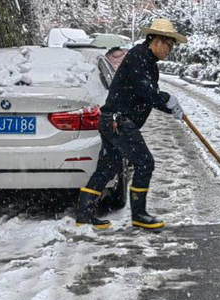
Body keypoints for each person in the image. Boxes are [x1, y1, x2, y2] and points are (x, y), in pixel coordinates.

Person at [75, 18, 186, 231]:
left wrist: (171, 108)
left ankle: (84, 214)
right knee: (145, 162)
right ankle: (139, 214)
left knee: (108, 166)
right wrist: (168, 100)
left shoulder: (145, 59)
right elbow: (146, 91)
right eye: (169, 46)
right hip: (119, 121)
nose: (169, 51)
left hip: (112, 119)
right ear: (157, 41)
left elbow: (145, 95)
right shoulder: (139, 57)